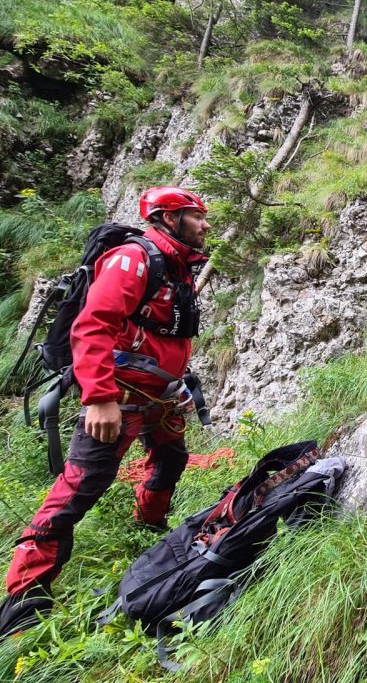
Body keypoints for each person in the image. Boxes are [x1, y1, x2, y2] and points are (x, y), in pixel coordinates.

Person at [0, 187, 211, 635]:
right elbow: (93, 325)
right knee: (81, 485)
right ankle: (23, 598)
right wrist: (98, 398)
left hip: (159, 396)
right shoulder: (133, 259)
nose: (205, 224)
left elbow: (162, 333)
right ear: (168, 218)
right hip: (118, 395)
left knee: (171, 458)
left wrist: (181, 384)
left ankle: (149, 525)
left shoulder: (176, 267)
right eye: (196, 216)